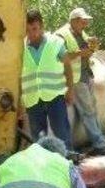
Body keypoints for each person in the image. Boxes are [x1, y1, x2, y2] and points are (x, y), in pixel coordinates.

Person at [55, 7, 105, 156]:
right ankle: (100, 144)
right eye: (83, 22)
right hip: (74, 79)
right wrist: (81, 53)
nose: (85, 25)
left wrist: (92, 48)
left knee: (92, 108)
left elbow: (86, 51)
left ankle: (96, 140)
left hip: (86, 75)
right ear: (74, 21)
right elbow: (60, 57)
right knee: (88, 110)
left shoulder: (80, 33)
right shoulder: (62, 35)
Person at [22, 9, 72, 150]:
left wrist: (70, 90)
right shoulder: (20, 48)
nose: (32, 33)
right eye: (28, 30)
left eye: (35, 29)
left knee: (62, 134)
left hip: (55, 97)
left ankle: (69, 165)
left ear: (42, 26)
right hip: (33, 100)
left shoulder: (55, 43)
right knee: (39, 140)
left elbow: (67, 66)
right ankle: (44, 168)